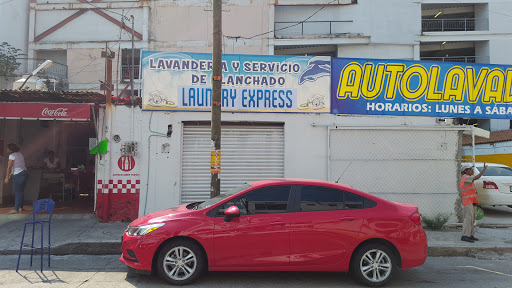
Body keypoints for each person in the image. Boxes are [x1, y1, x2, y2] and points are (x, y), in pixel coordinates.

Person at [460, 162, 487, 243]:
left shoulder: (468, 177)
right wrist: (484, 170)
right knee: (468, 218)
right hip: (467, 201)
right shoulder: (465, 177)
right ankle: (465, 236)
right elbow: (477, 177)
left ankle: (470, 235)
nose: (472, 170)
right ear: (465, 171)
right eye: (470, 169)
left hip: (472, 201)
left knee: (472, 219)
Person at [4, 143, 29, 214]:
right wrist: (11, 174)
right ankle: (21, 207)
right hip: (24, 173)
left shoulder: (12, 155)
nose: (6, 149)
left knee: (17, 192)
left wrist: (6, 177)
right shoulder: (19, 154)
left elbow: (9, 167)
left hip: (19, 175)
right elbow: (18, 166)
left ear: (10, 149)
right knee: (20, 191)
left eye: (7, 148)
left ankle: (16, 209)